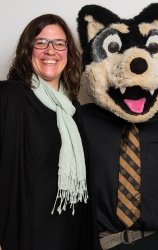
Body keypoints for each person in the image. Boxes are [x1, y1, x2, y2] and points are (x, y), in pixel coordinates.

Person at [0, 14, 89, 250]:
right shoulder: (11, 96)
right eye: (41, 42)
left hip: (67, 235)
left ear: (68, 52)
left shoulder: (73, 111)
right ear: (27, 49)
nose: (51, 51)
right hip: (25, 236)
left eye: (59, 43)